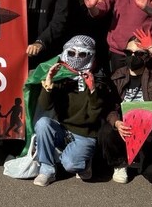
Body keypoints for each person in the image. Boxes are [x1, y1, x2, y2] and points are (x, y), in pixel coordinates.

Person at [32, 35, 112, 186]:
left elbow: (95, 115)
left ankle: (84, 160)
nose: (76, 58)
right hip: (63, 129)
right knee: (43, 123)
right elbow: (45, 106)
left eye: (82, 54)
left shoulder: (98, 79)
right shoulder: (63, 75)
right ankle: (47, 169)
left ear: (90, 55)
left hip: (86, 134)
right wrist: (48, 84)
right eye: (71, 53)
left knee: (70, 164)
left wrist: (92, 89)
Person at [100, 30, 152, 185]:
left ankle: (142, 161)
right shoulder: (117, 75)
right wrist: (116, 122)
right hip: (125, 128)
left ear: (146, 56)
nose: (133, 57)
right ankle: (120, 164)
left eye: (139, 53)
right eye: (129, 52)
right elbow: (110, 107)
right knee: (106, 131)